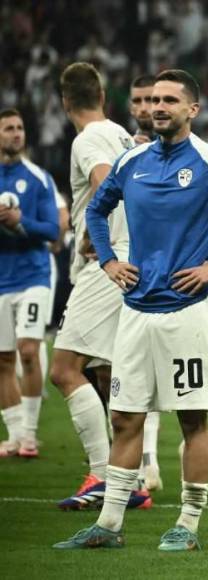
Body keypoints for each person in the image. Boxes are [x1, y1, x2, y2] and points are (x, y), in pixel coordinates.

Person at [54, 68, 208, 551]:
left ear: (192, 110)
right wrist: (110, 259)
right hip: (135, 310)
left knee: (192, 420)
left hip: (186, 312)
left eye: (170, 101)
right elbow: (96, 209)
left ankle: (189, 523)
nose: (158, 107)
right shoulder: (131, 160)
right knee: (125, 418)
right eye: (153, 100)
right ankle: (109, 524)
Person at [51, 62, 151, 510]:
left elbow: (103, 179)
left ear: (65, 102)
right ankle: (132, 481)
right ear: (105, 97)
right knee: (109, 374)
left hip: (107, 264)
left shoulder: (88, 138)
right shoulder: (123, 133)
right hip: (135, 257)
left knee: (64, 369)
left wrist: (99, 227)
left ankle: (101, 473)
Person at [0, 108, 59, 457]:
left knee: (28, 351)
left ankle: (31, 434)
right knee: (3, 360)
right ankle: (15, 434)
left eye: (20, 128)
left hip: (34, 275)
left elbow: (52, 231)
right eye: (8, 128)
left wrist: (21, 221)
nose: (16, 134)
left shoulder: (38, 178)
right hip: (1, 281)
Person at [126, 73, 165, 493]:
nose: (145, 108)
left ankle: (146, 460)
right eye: (139, 100)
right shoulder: (121, 155)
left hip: (157, 281)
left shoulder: (183, 156)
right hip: (119, 274)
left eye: (152, 99)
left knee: (148, 382)